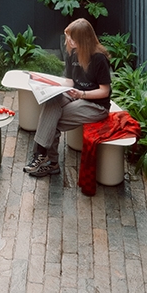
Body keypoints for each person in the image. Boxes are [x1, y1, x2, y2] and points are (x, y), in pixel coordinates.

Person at [23, 18, 111, 178]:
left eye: (72, 38)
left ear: (83, 40)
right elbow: (71, 81)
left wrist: (82, 94)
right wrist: (51, 86)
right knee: (51, 102)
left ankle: (48, 160)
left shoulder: (99, 59)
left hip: (96, 104)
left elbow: (104, 91)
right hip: (75, 94)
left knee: (53, 120)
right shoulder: (73, 53)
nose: (68, 41)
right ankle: (43, 156)